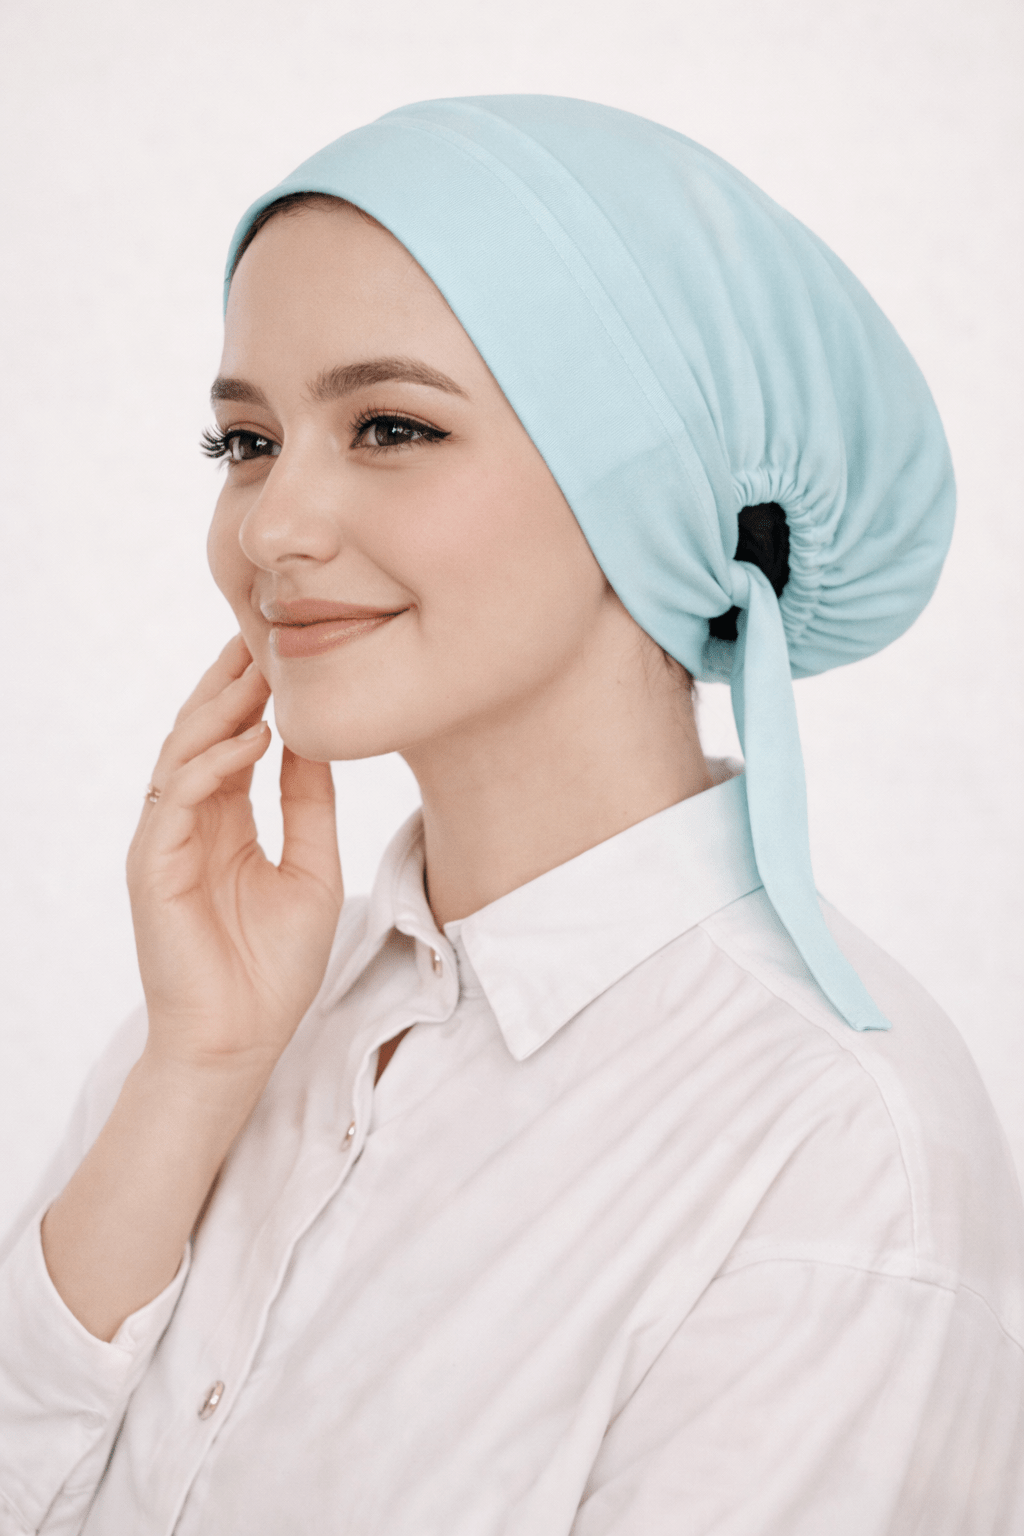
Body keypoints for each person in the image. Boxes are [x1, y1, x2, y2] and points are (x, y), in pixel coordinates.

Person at [1, 95, 1021, 1535]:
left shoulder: (833, 1152)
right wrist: (192, 1074)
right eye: (245, 441)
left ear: (652, 489)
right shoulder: (233, 1014)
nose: (271, 527)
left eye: (390, 426)